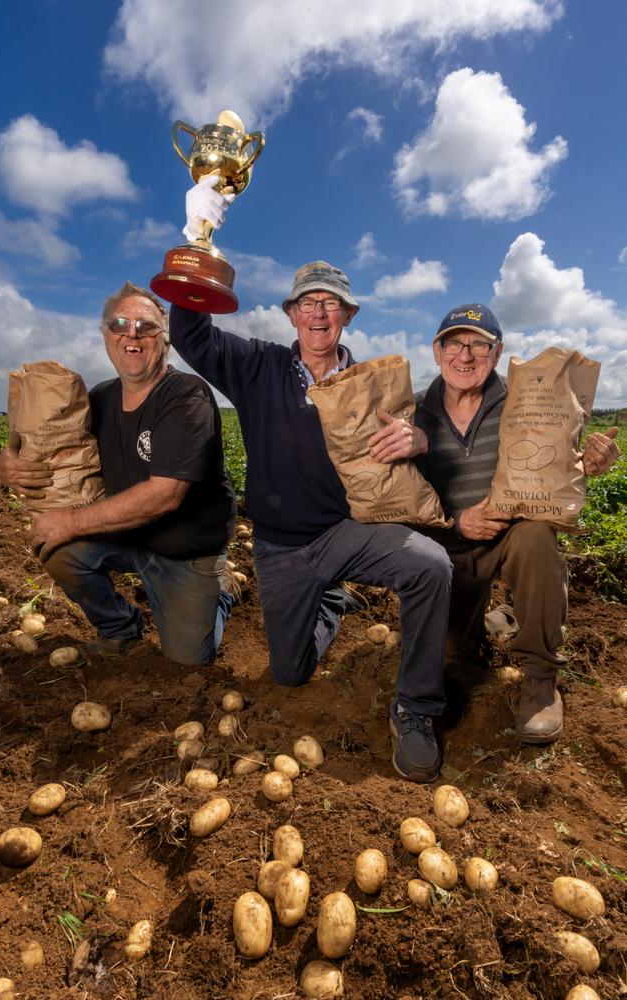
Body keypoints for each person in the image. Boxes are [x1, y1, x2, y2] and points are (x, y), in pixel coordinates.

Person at [166, 178, 453, 783]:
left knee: (429, 564)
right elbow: (190, 337)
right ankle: (330, 603)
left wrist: (416, 439)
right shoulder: (257, 366)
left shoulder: (374, 382)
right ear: (292, 314)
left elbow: (419, 444)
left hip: (347, 531)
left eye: (331, 303)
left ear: (347, 316)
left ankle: (417, 709)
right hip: (280, 547)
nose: (319, 312)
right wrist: (197, 240)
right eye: (308, 302)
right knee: (289, 674)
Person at [0, 281, 237, 666]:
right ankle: (120, 628)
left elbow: (165, 495)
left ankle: (221, 593)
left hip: (187, 553)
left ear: (166, 339)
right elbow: (56, 449)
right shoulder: (101, 397)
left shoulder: (186, 395)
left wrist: (70, 521)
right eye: (120, 323)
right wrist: (4, 463)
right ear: (106, 335)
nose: (133, 334)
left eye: (147, 326)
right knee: (55, 547)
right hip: (128, 539)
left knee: (188, 662)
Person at [413, 303, 620, 743]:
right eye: (454, 344)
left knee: (536, 538)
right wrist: (456, 522)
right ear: (437, 350)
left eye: (479, 345)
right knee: (456, 654)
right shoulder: (412, 414)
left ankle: (541, 679)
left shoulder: (527, 404)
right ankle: (493, 619)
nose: (465, 356)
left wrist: (590, 463)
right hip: (444, 552)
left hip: (509, 542)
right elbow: (398, 499)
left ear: (497, 351)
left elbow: (558, 467)